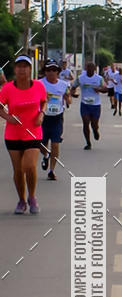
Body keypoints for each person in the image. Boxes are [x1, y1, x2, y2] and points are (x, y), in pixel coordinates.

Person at [0, 54, 47, 214]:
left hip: (33, 132)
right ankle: (21, 199)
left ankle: (32, 197)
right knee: (18, 170)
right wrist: (8, 117)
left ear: (30, 69)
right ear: (15, 69)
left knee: (29, 166)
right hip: (13, 134)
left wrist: (41, 114)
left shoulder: (38, 86)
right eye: (19, 66)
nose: (22, 69)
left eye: (25, 66)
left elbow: (44, 101)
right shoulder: (8, 89)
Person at [40, 60, 71, 180]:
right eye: (48, 70)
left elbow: (68, 98)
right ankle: (46, 154)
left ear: (58, 72)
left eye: (54, 70)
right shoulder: (39, 84)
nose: (51, 72)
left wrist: (68, 99)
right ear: (45, 72)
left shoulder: (63, 85)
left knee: (55, 145)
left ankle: (51, 170)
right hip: (43, 117)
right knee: (40, 144)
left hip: (57, 118)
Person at [71, 61, 105, 149]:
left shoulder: (99, 78)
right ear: (86, 68)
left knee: (94, 124)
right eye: (88, 68)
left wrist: (99, 89)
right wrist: (73, 94)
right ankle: (88, 143)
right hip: (85, 105)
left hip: (96, 105)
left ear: (94, 69)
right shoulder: (81, 78)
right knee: (86, 123)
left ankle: (95, 131)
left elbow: (106, 89)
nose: (90, 70)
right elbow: (73, 87)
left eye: (91, 68)